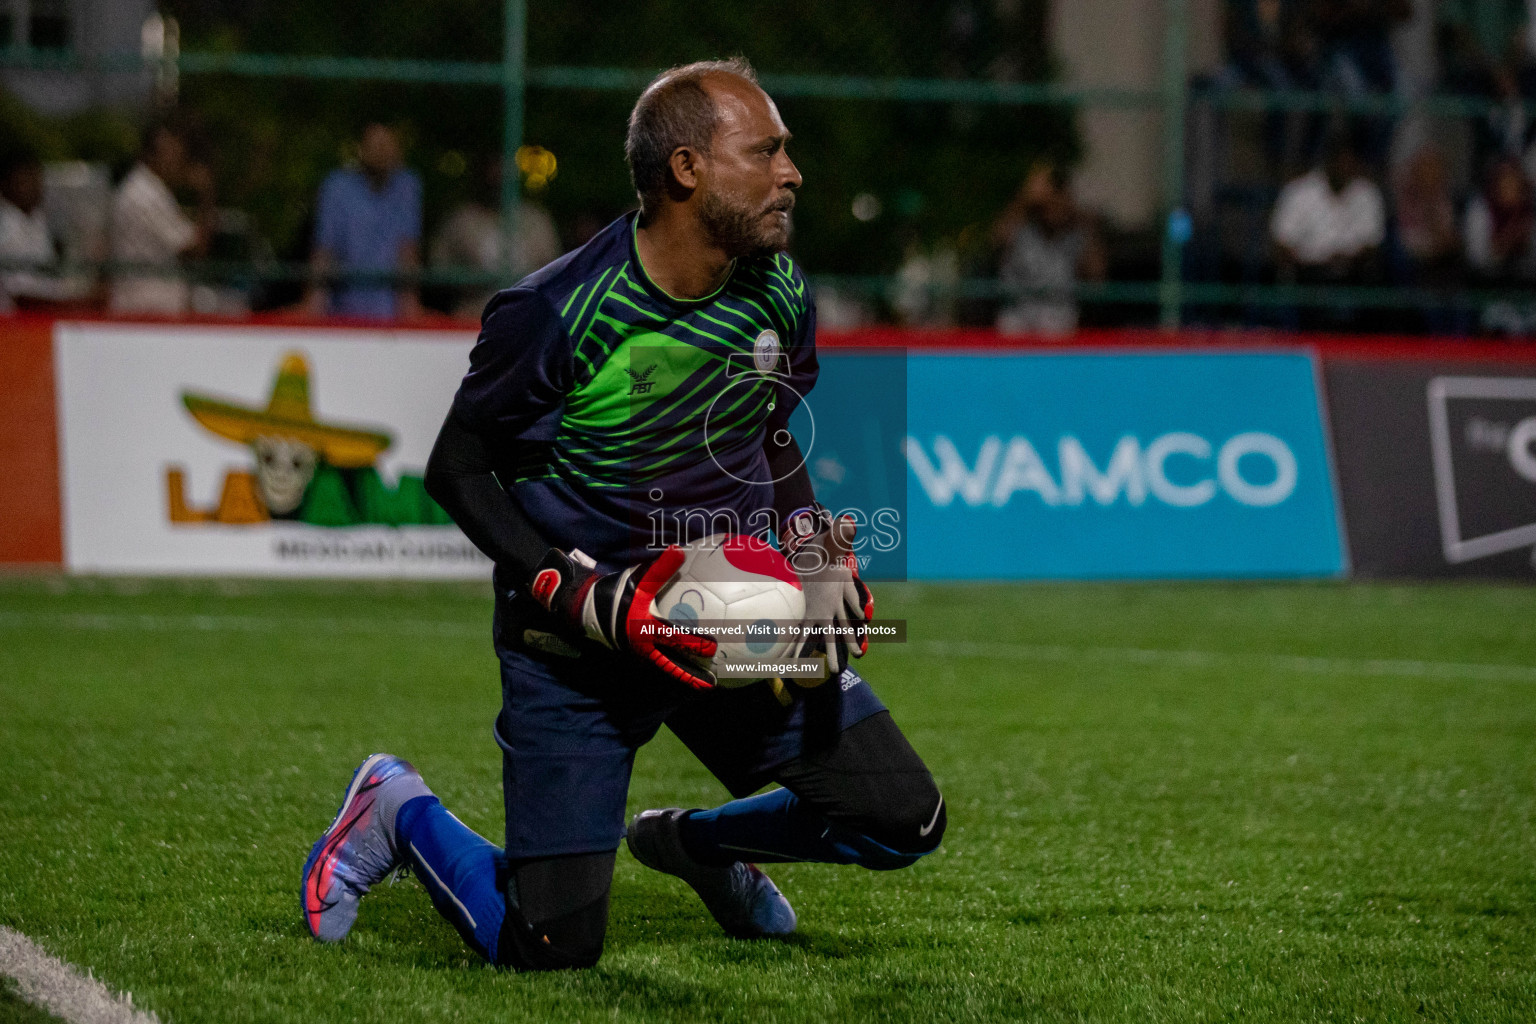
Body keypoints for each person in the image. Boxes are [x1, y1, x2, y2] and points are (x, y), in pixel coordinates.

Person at [299, 58, 945, 971]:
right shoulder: (556, 311)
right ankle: (396, 809)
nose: (790, 173)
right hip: (576, 646)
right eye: (765, 151)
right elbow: (458, 468)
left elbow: (767, 430)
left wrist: (812, 550)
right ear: (688, 169)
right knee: (549, 945)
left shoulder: (777, 289)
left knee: (902, 818)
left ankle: (698, 847)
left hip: (728, 620)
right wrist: (579, 594)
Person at [304, 122, 423, 321]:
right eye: (375, 144)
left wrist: (410, 311)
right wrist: (313, 306)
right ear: (361, 148)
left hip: (390, 314)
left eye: (387, 144)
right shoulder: (337, 188)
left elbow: (407, 252)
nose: (381, 151)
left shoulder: (407, 187)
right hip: (342, 309)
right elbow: (324, 252)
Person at [428, 155, 561, 319]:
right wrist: (469, 281)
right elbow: (437, 271)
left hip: (528, 320)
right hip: (472, 318)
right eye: (492, 173)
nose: (497, 179)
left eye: (503, 173)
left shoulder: (537, 221)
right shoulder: (461, 221)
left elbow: (556, 274)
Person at [108, 121, 215, 315]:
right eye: (171, 152)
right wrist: (206, 195)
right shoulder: (145, 194)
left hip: (149, 308)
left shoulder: (151, 190)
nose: (178, 160)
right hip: (146, 310)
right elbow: (194, 249)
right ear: (150, 154)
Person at [993, 162, 1106, 337]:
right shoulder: (1022, 226)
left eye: (1060, 196)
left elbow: (1097, 274)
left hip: (1058, 313)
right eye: (1051, 198)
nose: (1055, 206)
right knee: (1011, 325)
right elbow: (997, 238)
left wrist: (1087, 225)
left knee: (1055, 325)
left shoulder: (1078, 231)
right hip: (1018, 310)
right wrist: (1026, 198)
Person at [1271, 136, 1385, 286]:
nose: (1345, 168)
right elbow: (1282, 243)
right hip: (1308, 273)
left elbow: (1372, 243)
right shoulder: (1299, 191)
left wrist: (1346, 260)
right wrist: (1312, 261)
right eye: (1341, 162)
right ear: (1329, 162)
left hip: (1352, 274)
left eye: (1350, 163)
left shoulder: (1367, 193)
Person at [0, 148, 90, 312]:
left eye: (38, 178)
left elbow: (49, 281)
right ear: (5, 183)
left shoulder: (38, 220)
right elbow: (21, 296)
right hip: (12, 324)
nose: (36, 186)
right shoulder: (5, 227)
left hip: (44, 317)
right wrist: (72, 306)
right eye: (26, 179)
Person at [1464, 156, 1536, 284]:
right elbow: (1476, 257)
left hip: (1524, 283)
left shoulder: (1529, 210)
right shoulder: (1481, 209)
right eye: (1504, 180)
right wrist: (1508, 240)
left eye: (1513, 181)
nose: (1509, 187)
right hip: (1485, 281)